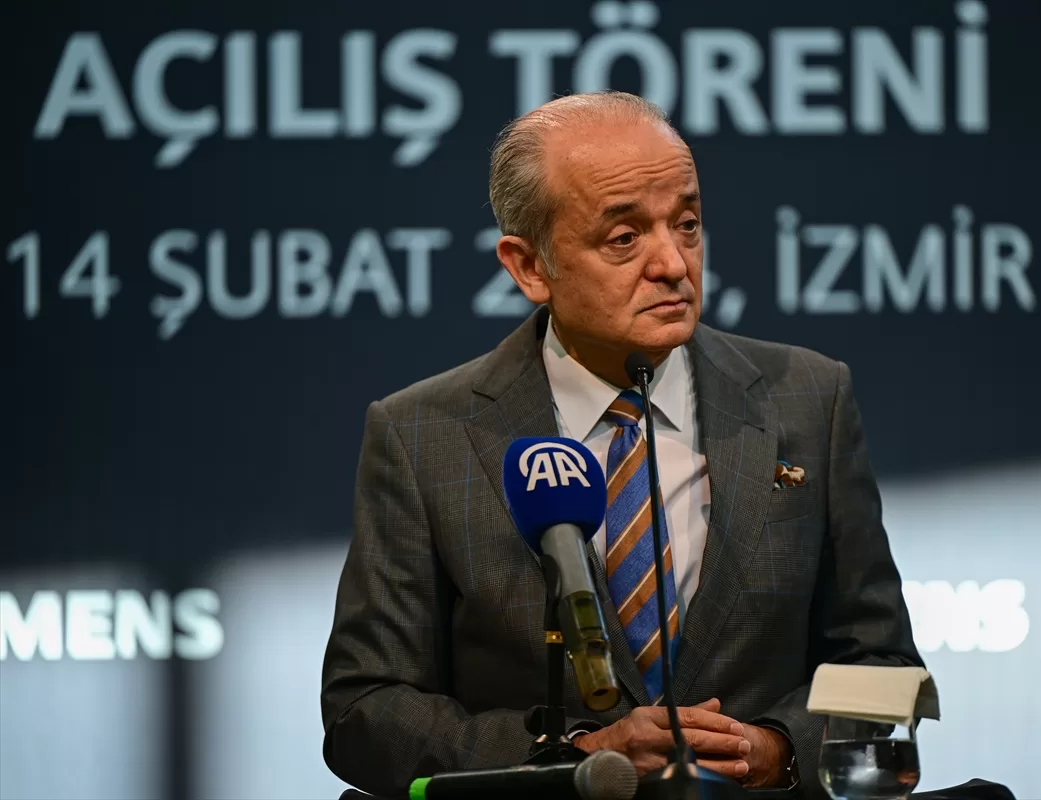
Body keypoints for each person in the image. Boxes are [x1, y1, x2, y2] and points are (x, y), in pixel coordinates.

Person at [320, 90, 922, 797]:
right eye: (624, 238)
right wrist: (576, 756)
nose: (673, 263)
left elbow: (886, 670)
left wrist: (778, 750)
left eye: (687, 224)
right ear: (529, 267)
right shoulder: (423, 434)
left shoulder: (810, 398)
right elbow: (365, 711)